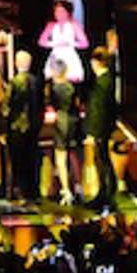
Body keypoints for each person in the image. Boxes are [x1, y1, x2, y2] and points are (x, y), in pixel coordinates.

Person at [3, 48, 42, 200]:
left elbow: (7, 107)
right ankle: (33, 192)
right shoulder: (36, 81)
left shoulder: (14, 82)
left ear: (16, 63)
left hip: (17, 127)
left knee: (18, 161)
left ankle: (19, 191)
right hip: (33, 126)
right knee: (31, 160)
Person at [84, 48, 120, 203]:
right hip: (104, 127)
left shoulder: (102, 82)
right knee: (103, 160)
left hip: (100, 128)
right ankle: (105, 192)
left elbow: (98, 109)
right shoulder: (107, 80)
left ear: (96, 62)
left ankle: (106, 194)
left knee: (102, 161)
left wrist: (92, 132)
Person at [46, 66, 85, 207]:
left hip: (61, 121)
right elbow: (79, 104)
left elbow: (50, 105)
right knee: (75, 154)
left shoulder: (54, 88)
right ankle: (79, 187)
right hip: (74, 121)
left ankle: (66, 190)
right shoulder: (73, 87)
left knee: (60, 158)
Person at [38, 0, 89, 84]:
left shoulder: (74, 25)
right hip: (56, 55)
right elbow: (41, 41)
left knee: (70, 79)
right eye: (56, 11)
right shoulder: (51, 25)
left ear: (67, 12)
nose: (59, 14)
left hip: (69, 55)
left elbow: (85, 43)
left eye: (61, 11)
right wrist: (54, 43)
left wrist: (71, 43)